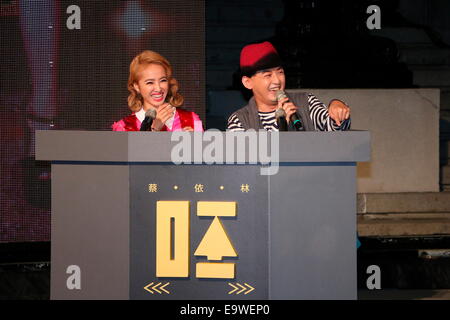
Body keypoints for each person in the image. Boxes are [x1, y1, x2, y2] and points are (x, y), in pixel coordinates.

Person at [227, 41, 351, 132]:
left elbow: (335, 130)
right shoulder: (239, 120)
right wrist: (281, 124)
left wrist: (337, 107)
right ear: (248, 82)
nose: (277, 80)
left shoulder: (306, 103)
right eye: (267, 75)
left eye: (280, 72)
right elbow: (245, 162)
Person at [112, 50, 203, 132]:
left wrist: (193, 146)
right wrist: (154, 130)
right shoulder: (124, 127)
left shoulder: (192, 120)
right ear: (137, 86)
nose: (158, 88)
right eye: (150, 82)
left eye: (163, 80)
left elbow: (204, 150)